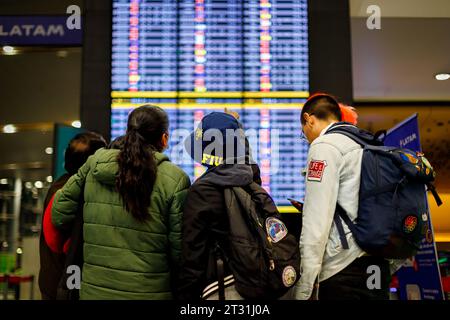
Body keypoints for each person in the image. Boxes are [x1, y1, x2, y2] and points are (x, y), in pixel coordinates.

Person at [51, 105, 191, 299]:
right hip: (149, 293)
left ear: (127, 133)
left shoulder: (94, 164)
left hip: (94, 293)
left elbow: (59, 214)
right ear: (164, 138)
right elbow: (180, 253)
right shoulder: (175, 180)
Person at [294, 93, 391, 300]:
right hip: (378, 263)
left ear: (309, 119)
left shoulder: (324, 146)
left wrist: (305, 286)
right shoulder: (366, 143)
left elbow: (316, 220)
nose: (306, 138)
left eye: (303, 133)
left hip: (343, 267)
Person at [177, 112, 261, 300]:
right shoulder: (251, 179)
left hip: (218, 288)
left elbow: (192, 260)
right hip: (250, 284)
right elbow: (245, 160)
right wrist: (237, 131)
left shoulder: (202, 192)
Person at [39, 131, 107, 300]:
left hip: (55, 281)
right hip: (66, 285)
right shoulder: (73, 193)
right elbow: (64, 245)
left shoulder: (60, 185)